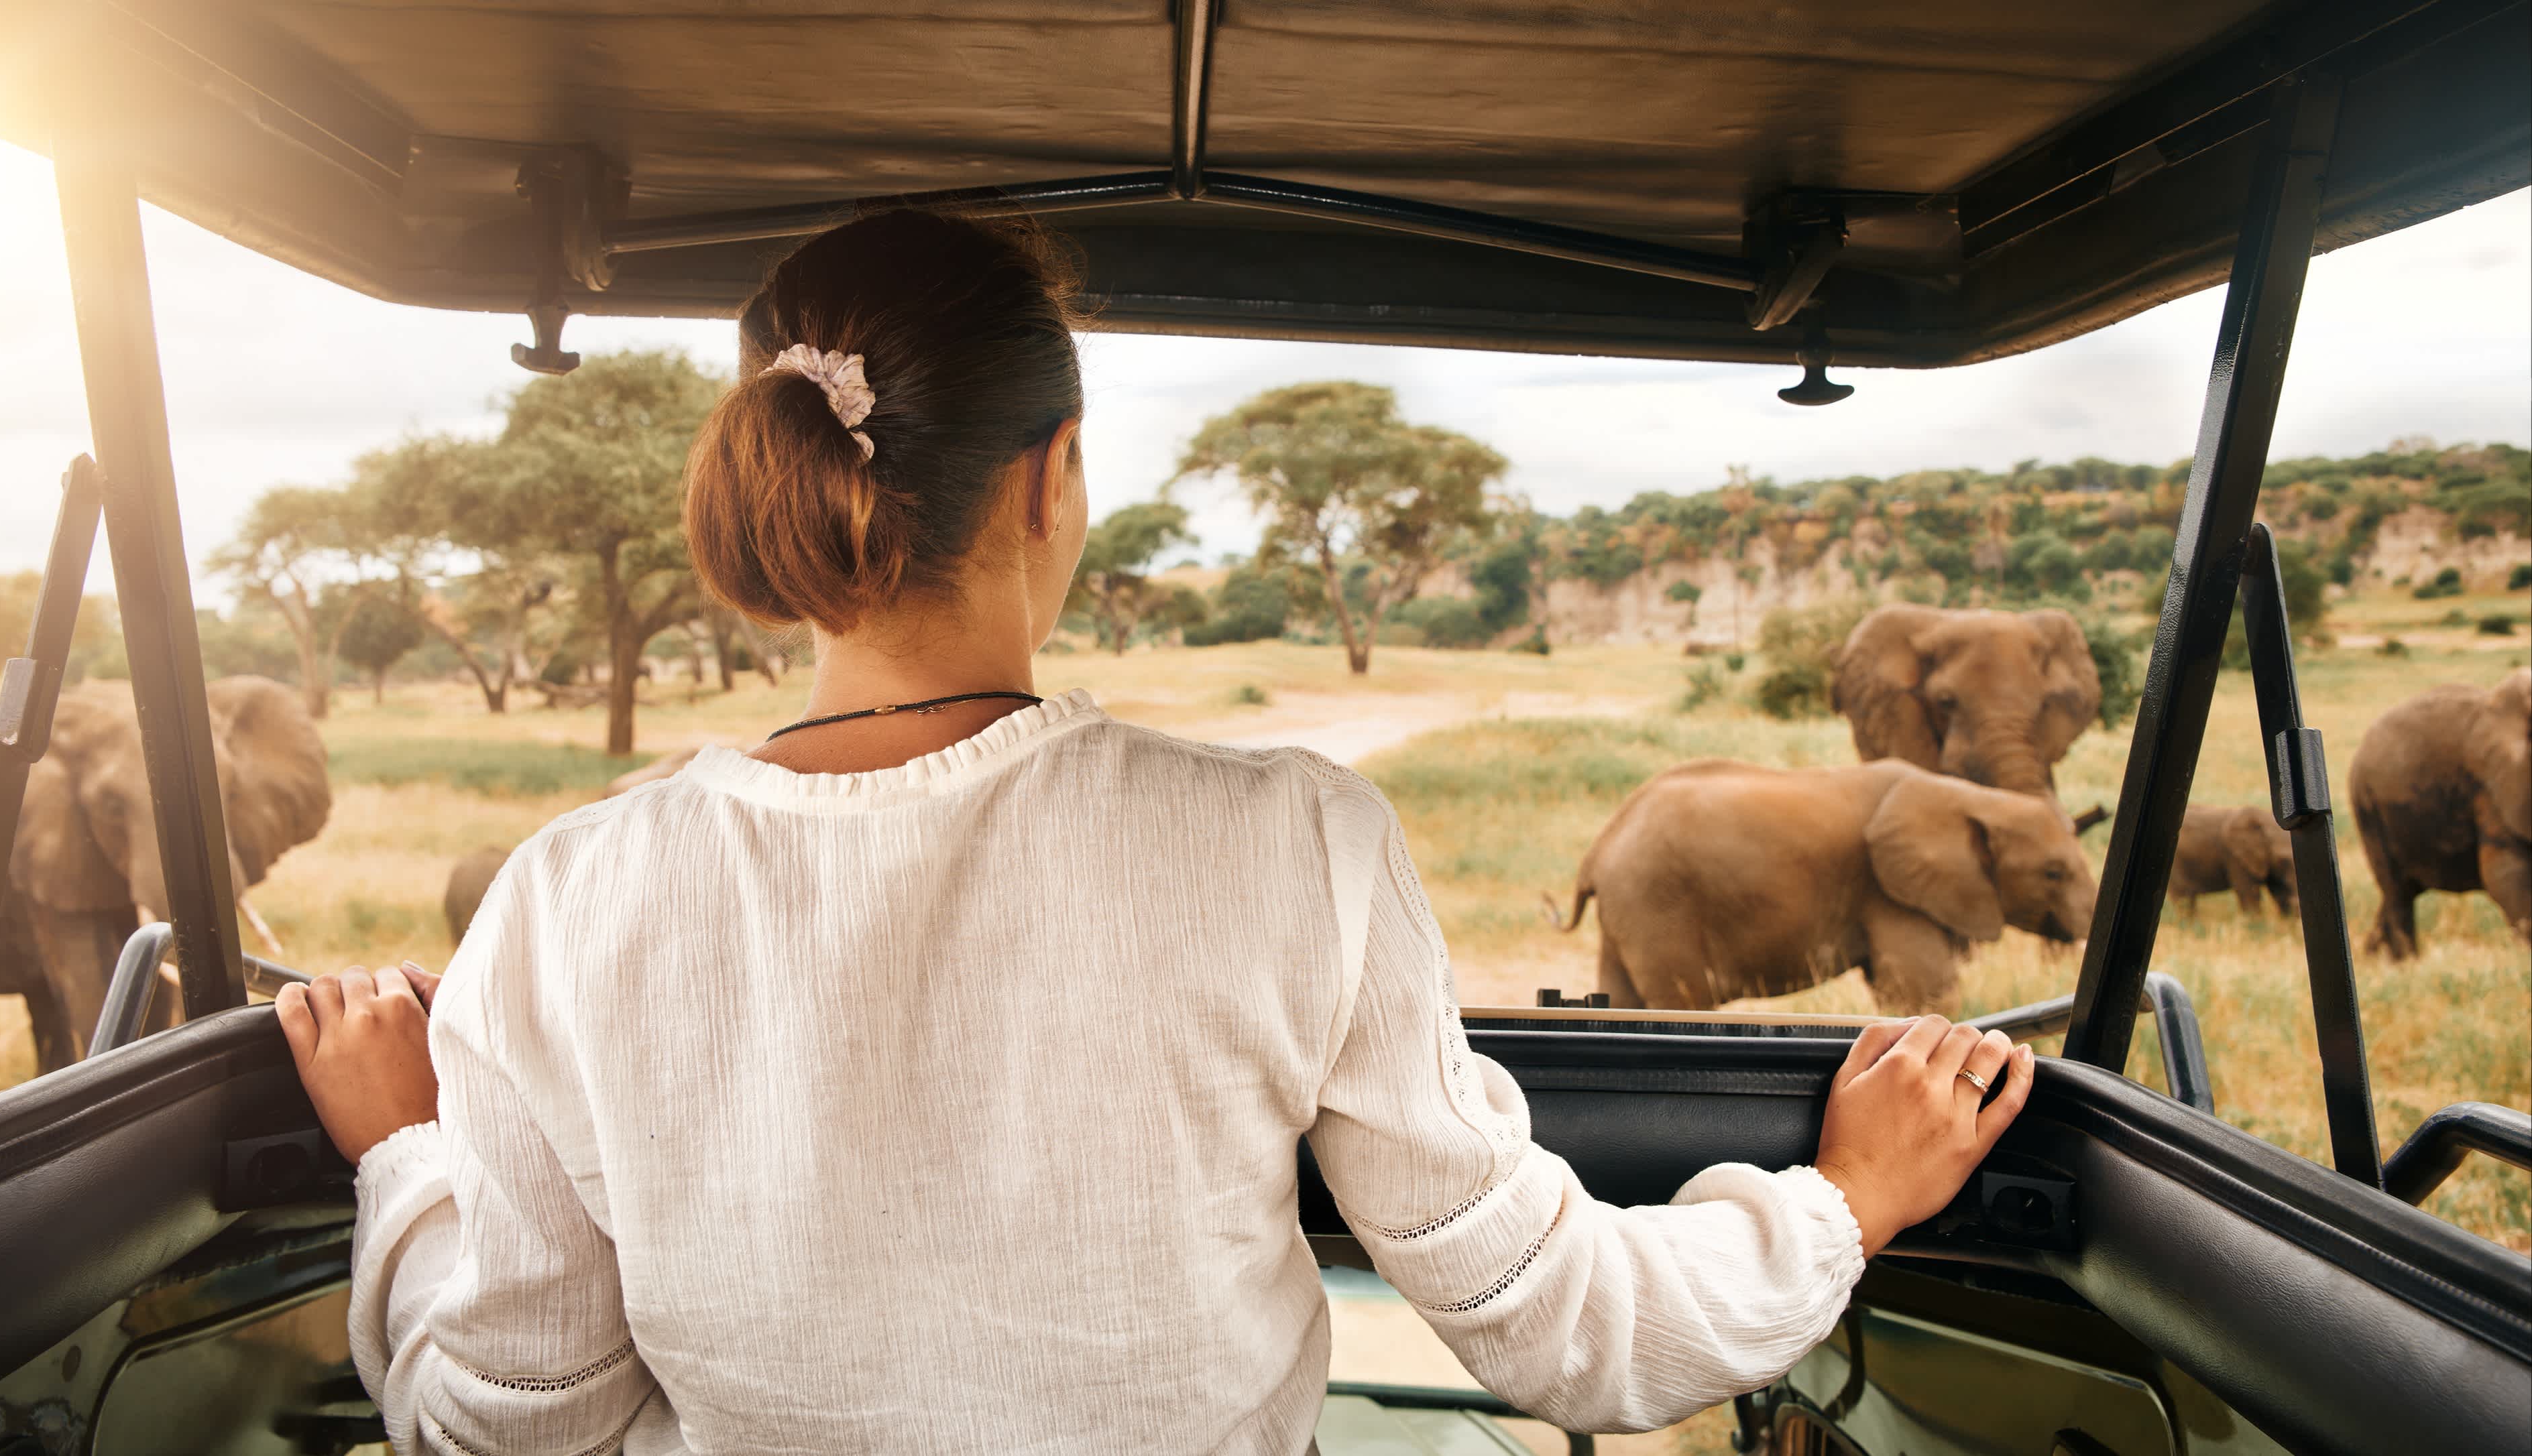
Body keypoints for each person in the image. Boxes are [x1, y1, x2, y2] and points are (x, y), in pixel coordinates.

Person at [278, 208, 2034, 1456]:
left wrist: (407, 1159)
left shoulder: (570, 900)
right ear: (1052, 483)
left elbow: (509, 1424)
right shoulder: (1294, 842)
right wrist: (1842, 1199)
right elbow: (1562, 1322)